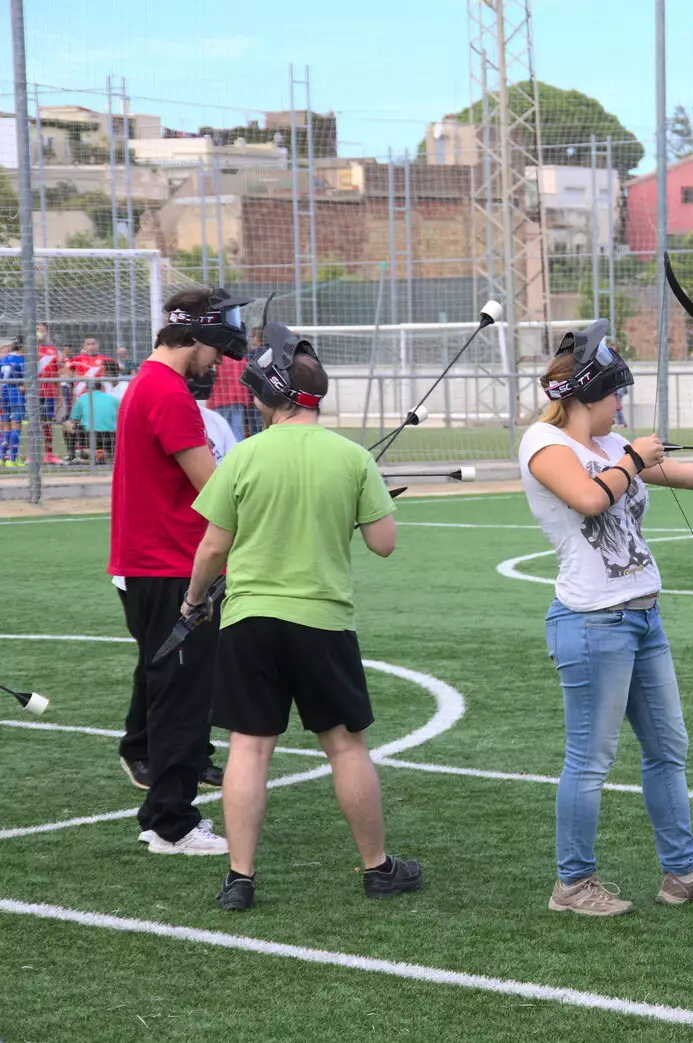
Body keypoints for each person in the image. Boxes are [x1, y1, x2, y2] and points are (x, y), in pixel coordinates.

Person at [522, 319, 693, 917]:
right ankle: (573, 884)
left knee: (668, 747)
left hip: (642, 619)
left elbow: (677, 472)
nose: (621, 405)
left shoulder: (613, 447)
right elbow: (588, 498)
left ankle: (683, 874)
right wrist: (635, 457)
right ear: (589, 394)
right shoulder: (544, 445)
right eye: (616, 394)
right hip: (591, 622)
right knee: (590, 759)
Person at [185, 323, 420, 912]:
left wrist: (193, 602)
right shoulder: (350, 458)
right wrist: (373, 499)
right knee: (345, 747)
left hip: (250, 620)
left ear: (267, 396)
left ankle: (240, 878)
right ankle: (377, 868)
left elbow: (213, 548)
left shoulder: (243, 456)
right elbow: (383, 543)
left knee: (249, 748)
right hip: (322, 621)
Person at [111, 287, 253, 855]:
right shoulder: (167, 393)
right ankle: (170, 822)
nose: (217, 361)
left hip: (150, 562)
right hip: (170, 565)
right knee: (183, 691)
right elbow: (216, 491)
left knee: (164, 676)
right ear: (193, 336)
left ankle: (141, 749)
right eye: (215, 347)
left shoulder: (148, 383)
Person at [66, 378, 119, 465]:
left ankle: (74, 455)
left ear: (87, 388)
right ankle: (103, 455)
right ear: (102, 388)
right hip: (111, 437)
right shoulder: (114, 399)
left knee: (66, 425)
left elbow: (73, 419)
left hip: (90, 437)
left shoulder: (82, 398)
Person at [206, 354, 255, 442]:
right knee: (237, 429)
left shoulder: (217, 358)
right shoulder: (241, 359)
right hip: (238, 398)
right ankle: (239, 453)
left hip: (220, 398)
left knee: (220, 430)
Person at [34, 323, 61, 464]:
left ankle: (49, 453)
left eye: (43, 330)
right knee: (34, 422)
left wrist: (60, 395)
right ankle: (33, 454)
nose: (40, 332)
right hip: (34, 392)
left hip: (50, 392)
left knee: (47, 422)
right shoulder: (29, 349)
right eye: (37, 330)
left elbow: (57, 373)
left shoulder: (54, 351)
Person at [0, 339, 23, 467]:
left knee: (6, 426)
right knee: (17, 425)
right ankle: (13, 460)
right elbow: (25, 383)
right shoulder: (22, 360)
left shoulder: (3, 360)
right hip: (15, 395)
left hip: (3, 394)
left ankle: (2, 458)